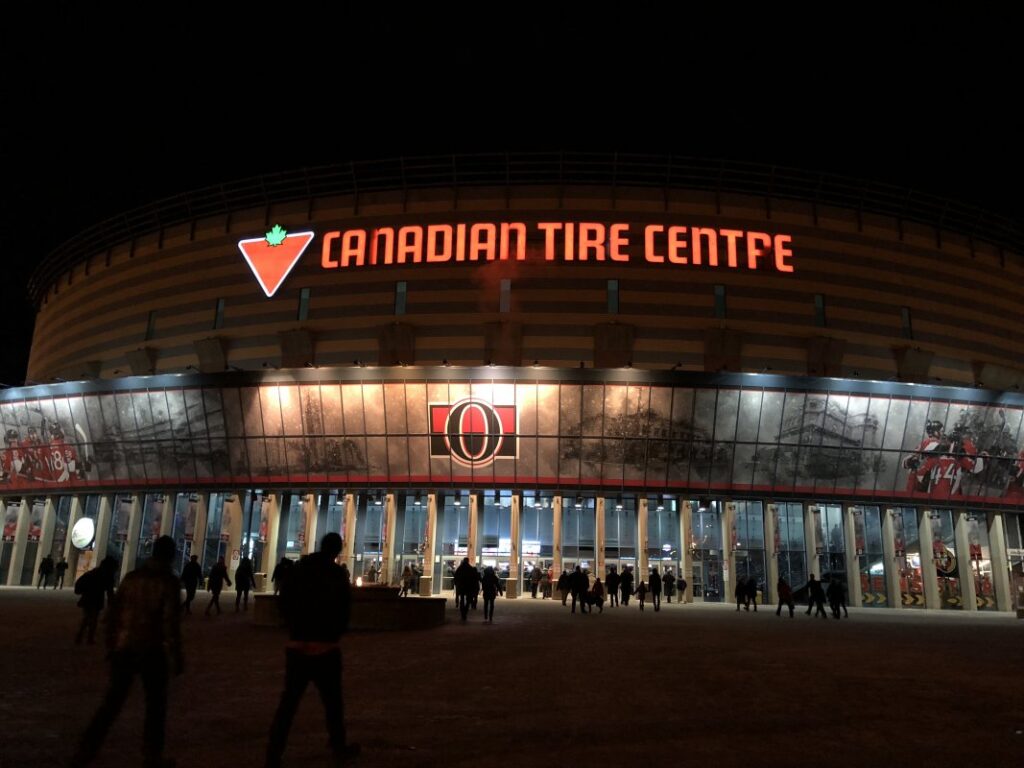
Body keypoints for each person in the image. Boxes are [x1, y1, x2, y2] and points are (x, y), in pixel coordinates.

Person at [71, 536, 182, 768]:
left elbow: (113, 613)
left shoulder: (131, 578)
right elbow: (170, 623)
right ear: (170, 555)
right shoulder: (168, 582)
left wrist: (111, 644)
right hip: (152, 649)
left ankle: (86, 750)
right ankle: (152, 755)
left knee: (112, 703)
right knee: (155, 705)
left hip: (124, 647)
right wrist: (176, 654)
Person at [266, 532, 360, 768]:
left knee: (288, 704)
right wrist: (336, 631)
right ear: (337, 551)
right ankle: (338, 746)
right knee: (333, 703)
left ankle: (273, 753)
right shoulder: (337, 574)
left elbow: (284, 599)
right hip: (326, 648)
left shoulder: (299, 569)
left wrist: (293, 627)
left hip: (297, 646)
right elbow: (344, 608)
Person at [75, 557, 118, 645]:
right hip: (96, 598)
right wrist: (112, 604)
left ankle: (80, 635)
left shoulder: (92, 572)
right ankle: (89, 638)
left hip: (87, 597)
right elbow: (110, 592)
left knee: (86, 617)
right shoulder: (108, 576)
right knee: (93, 618)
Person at [453, 557, 478, 621]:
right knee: (468, 600)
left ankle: (462, 613)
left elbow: (455, 576)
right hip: (468, 587)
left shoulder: (460, 568)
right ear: (468, 561)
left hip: (461, 586)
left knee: (462, 599)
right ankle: (465, 612)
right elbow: (474, 578)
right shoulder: (470, 568)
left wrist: (456, 584)